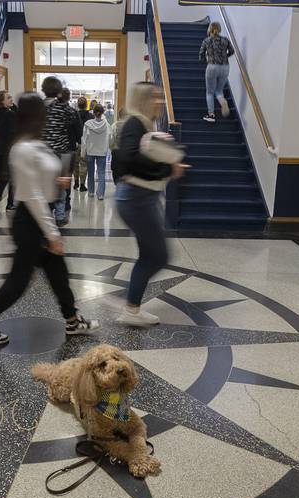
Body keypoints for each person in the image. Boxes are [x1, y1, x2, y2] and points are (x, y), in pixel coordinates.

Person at [0, 92, 99, 345]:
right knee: (19, 280)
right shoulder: (22, 149)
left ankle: (72, 320)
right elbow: (33, 197)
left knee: (57, 273)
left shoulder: (35, 143)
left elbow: (42, 185)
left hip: (38, 219)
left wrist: (57, 181)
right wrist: (52, 234)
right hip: (31, 223)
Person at [114, 82, 187, 326]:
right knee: (157, 255)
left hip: (142, 197)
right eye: (156, 97)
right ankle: (131, 308)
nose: (161, 102)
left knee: (150, 254)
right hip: (136, 199)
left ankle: (132, 308)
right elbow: (128, 158)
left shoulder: (143, 124)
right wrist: (167, 168)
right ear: (144, 99)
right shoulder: (134, 123)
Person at [39, 77, 74, 226]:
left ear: (43, 89)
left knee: (43, 186)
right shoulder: (63, 107)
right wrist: (62, 100)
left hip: (42, 152)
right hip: (61, 152)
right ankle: (60, 217)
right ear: (59, 90)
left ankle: (45, 216)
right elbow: (72, 118)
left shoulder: (38, 106)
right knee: (60, 186)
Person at [199, 22, 234, 123]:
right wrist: (224, 57)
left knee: (209, 92)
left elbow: (201, 55)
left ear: (210, 29)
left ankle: (211, 115)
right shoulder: (225, 40)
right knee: (219, 91)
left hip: (212, 66)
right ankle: (223, 101)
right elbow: (231, 51)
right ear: (219, 29)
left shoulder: (207, 41)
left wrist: (206, 59)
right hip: (225, 67)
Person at [0, 90, 17, 214]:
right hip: (10, 148)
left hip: (0, 147)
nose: (11, 99)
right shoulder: (9, 114)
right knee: (12, 177)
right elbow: (15, 130)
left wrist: (13, 106)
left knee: (4, 175)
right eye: (9, 97)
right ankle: (9, 204)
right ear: (2, 101)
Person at [81, 104, 110, 200]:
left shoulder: (88, 124)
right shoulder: (106, 124)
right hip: (102, 151)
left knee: (91, 171)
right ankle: (100, 194)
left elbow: (84, 139)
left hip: (90, 150)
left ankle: (91, 192)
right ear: (103, 113)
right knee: (101, 172)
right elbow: (109, 138)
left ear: (93, 112)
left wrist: (83, 152)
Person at [74, 97, 92, 192]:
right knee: (84, 164)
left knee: (75, 164)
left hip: (76, 143)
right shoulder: (91, 116)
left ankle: (76, 182)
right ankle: (82, 185)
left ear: (77, 105)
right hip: (86, 144)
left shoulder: (73, 115)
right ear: (86, 105)